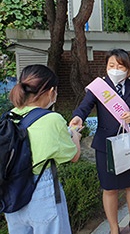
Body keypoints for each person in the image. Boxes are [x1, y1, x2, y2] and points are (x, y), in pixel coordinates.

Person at [70, 49, 130, 234]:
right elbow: (84, 106)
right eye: (111, 65)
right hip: (105, 146)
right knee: (110, 189)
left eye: (120, 66)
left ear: (128, 69)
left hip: (129, 145)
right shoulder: (100, 87)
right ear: (106, 67)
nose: (115, 69)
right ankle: (114, 228)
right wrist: (78, 118)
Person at [5, 64, 82, 233]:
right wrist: (75, 135)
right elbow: (74, 156)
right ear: (51, 91)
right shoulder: (52, 119)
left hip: (12, 190)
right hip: (41, 188)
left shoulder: (11, 115)